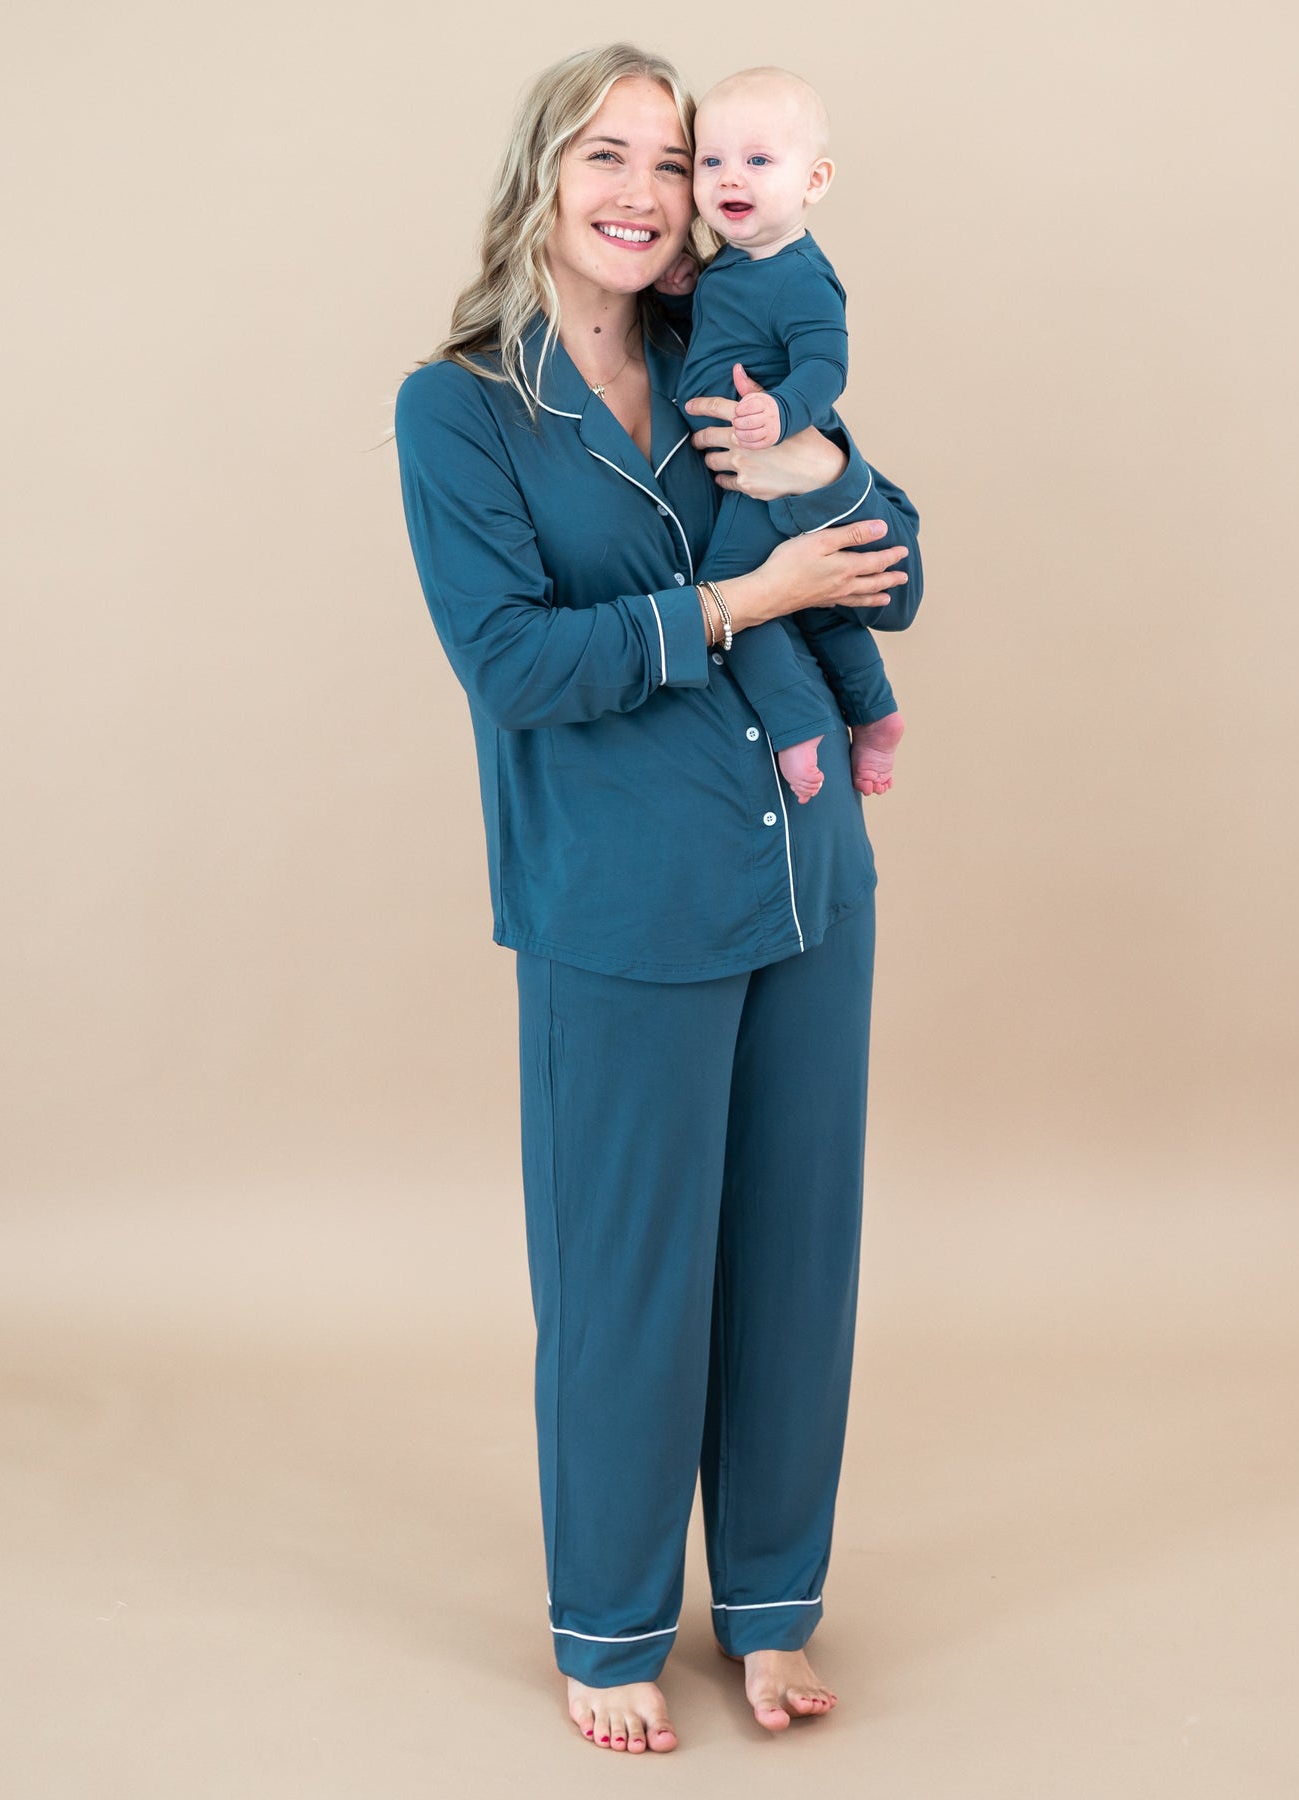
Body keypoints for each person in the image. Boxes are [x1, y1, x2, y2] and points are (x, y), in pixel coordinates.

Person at [388, 42, 925, 1754]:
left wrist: (817, 471)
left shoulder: (736, 351)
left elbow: (895, 562)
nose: (642, 191)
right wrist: (743, 600)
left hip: (807, 869)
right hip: (620, 902)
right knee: (630, 1275)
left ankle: (769, 1609)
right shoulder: (460, 404)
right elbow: (514, 664)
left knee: (793, 1256)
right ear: (543, 179)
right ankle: (610, 1620)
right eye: (604, 156)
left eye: (674, 161)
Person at [662, 64, 908, 806]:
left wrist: (783, 413)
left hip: (764, 468)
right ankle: (876, 714)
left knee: (741, 600)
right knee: (816, 604)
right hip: (742, 461)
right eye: (712, 160)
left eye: (759, 160)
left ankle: (798, 732)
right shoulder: (731, 267)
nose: (729, 176)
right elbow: (720, 336)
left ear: (815, 180)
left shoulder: (802, 276)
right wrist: (682, 293)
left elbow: (825, 365)